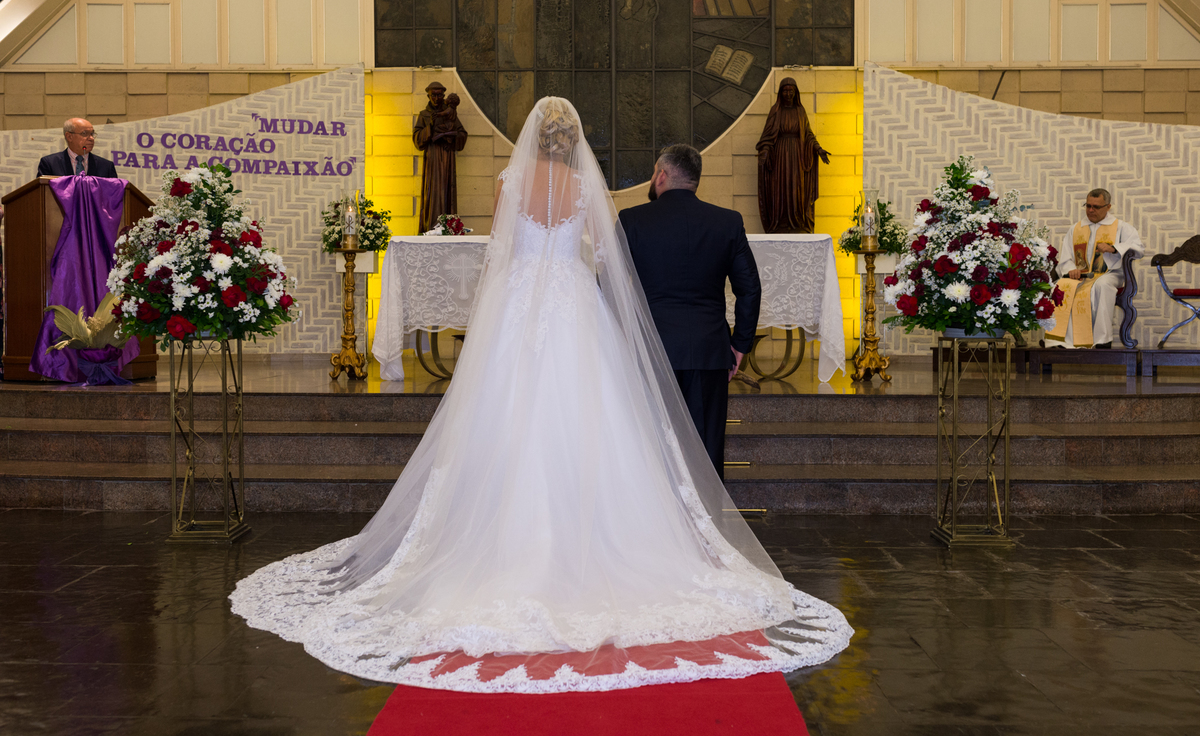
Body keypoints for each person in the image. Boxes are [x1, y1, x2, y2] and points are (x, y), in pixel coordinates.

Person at [230, 98, 850, 693]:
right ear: (574, 139)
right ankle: (617, 541)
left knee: (503, 414)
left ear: (533, 135)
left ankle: (487, 538)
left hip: (519, 301)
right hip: (573, 302)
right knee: (591, 419)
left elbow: (499, 256)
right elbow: (608, 261)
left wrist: (504, 307)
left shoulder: (508, 183)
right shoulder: (586, 192)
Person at [619, 144, 761, 479]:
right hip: (708, 351)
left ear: (662, 175)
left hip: (651, 350)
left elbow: (610, 283)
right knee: (706, 448)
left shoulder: (632, 220)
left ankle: (659, 524)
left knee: (651, 445)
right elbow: (750, 289)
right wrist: (740, 345)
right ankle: (705, 521)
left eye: (655, 172)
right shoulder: (727, 222)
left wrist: (620, 341)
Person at [1046, 188, 1144, 348]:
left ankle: (1102, 340)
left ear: (1108, 207)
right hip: (1081, 275)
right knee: (1061, 286)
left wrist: (1114, 248)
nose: (1091, 210)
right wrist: (1071, 268)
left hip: (1110, 273)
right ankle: (1060, 340)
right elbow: (1066, 256)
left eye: (1096, 207)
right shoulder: (1076, 229)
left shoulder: (1121, 227)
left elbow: (1138, 248)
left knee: (1102, 285)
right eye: (1088, 206)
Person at [755, 77, 829, 233]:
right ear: (781, 93)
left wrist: (818, 149)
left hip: (797, 156)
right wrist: (765, 150)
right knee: (779, 188)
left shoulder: (800, 111)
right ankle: (779, 222)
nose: (788, 94)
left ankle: (797, 223)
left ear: (796, 93)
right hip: (780, 156)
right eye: (785, 90)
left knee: (797, 188)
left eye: (791, 90)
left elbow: (808, 134)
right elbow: (767, 136)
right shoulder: (776, 111)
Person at [413, 82, 467, 233]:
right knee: (432, 191)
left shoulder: (450, 113)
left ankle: (448, 227)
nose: (437, 98)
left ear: (444, 96)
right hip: (432, 158)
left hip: (447, 156)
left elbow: (462, 133)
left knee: (447, 190)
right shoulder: (424, 115)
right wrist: (429, 127)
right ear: (428, 96)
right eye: (433, 95)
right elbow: (417, 139)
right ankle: (430, 227)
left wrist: (454, 138)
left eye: (439, 95)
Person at [36, 118, 119, 178]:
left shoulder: (106, 166)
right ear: (69, 137)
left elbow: (114, 196)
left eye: (92, 134)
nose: (91, 138)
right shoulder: (50, 164)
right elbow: (43, 194)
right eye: (84, 133)